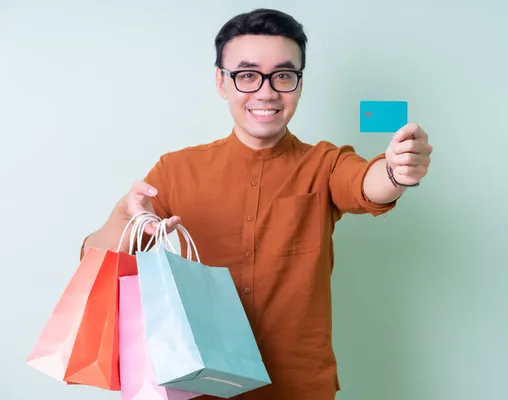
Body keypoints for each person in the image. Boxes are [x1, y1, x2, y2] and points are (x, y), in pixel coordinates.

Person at [81, 7, 432, 400]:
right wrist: (123, 215)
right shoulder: (175, 170)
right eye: (247, 75)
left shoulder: (323, 164)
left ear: (299, 84)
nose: (266, 92)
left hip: (298, 388)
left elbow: (367, 183)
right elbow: (97, 261)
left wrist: (397, 172)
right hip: (195, 389)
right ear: (221, 81)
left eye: (283, 76)